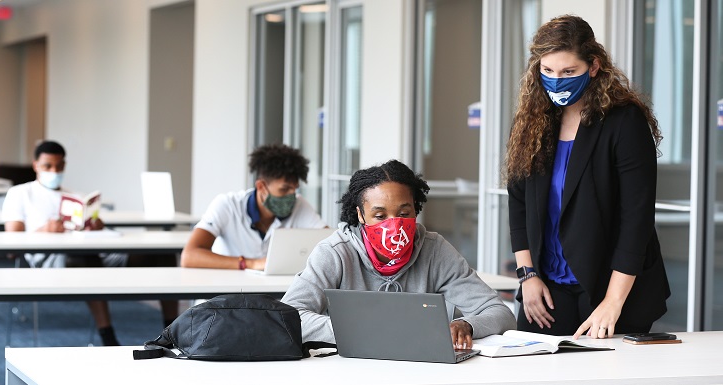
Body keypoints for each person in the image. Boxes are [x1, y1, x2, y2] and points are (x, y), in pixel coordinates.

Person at [504, 15, 670, 340]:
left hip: (612, 288)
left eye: (569, 72)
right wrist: (528, 276)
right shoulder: (531, 122)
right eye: (548, 71)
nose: (557, 81)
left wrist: (613, 301)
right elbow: (518, 204)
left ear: (593, 66)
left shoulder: (624, 122)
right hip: (547, 287)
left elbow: (635, 220)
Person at [281, 159, 516, 348]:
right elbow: (290, 317)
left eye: (404, 213)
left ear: (416, 209)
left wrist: (467, 324)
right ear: (361, 215)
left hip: (419, 369)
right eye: (380, 216)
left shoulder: (435, 250)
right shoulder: (335, 253)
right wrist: (360, 330)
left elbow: (500, 313)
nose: (393, 225)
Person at [1, 140, 178, 346]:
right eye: (48, 166)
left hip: (92, 250)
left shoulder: (74, 196)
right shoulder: (20, 193)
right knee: (88, 258)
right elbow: (12, 245)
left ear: (64, 166)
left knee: (163, 254)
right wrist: (44, 230)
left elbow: (92, 230)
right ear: (35, 165)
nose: (54, 171)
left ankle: (173, 331)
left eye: (58, 166)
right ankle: (107, 335)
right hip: (50, 259)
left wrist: (97, 226)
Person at [181, 144, 327, 270]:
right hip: (226, 296)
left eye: (294, 189)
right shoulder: (227, 205)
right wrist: (250, 263)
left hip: (272, 297)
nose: (291, 196)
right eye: (284, 189)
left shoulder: (299, 205)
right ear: (261, 186)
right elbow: (189, 256)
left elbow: (328, 240)